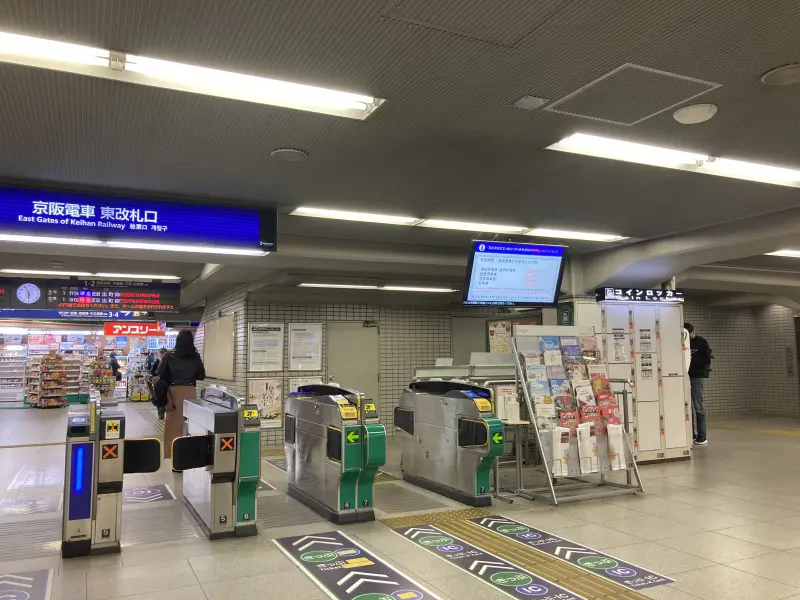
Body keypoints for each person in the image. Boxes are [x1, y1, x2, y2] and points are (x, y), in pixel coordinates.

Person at [157, 330, 205, 462]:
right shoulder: (195, 357)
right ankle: (187, 453)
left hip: (173, 393)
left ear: (177, 341)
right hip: (190, 391)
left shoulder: (169, 356)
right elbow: (201, 375)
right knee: (189, 422)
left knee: (172, 423)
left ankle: (173, 454)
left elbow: (160, 373)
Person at [685, 323, 711, 446]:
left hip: (696, 376)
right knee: (687, 407)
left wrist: (698, 367)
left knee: (698, 406)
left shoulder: (701, 342)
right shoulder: (683, 342)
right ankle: (691, 434)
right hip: (685, 376)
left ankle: (702, 435)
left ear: (692, 332)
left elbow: (707, 359)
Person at [151, 349, 167, 420]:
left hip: (161, 382)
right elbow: (153, 371)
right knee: (161, 397)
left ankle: (162, 412)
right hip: (161, 382)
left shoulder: (166, 361)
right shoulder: (158, 361)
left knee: (161, 397)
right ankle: (161, 413)